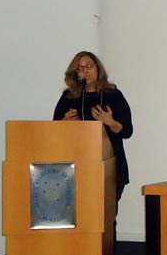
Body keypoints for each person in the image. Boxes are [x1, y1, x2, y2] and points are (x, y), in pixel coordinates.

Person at [53, 51, 133, 201]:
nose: (85, 71)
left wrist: (111, 122)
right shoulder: (69, 97)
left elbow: (128, 131)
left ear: (98, 68)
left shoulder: (113, 95)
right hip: (77, 167)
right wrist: (64, 122)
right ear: (75, 74)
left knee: (106, 214)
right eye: (80, 68)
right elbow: (54, 131)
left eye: (89, 66)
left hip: (110, 167)